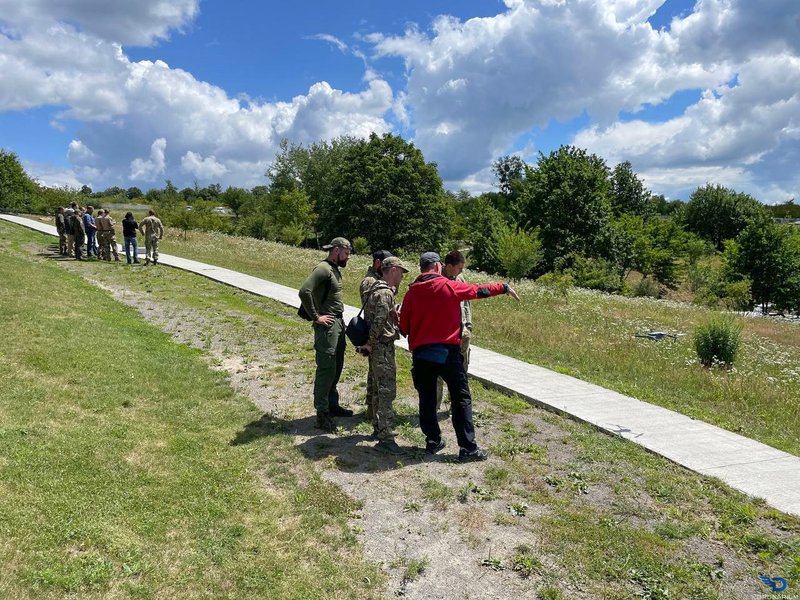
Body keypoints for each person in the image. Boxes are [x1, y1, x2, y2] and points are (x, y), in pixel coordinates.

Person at [399, 251, 519, 461]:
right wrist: (503, 287)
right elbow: (479, 291)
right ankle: (467, 449)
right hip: (448, 354)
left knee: (427, 399)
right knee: (461, 398)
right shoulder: (449, 286)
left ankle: (433, 440)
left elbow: (404, 328)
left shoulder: (411, 294)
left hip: (421, 356)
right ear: (438, 266)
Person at [298, 237, 354, 432]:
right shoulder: (323, 268)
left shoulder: (334, 269)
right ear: (336, 250)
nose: (348, 257)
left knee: (336, 366)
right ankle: (322, 414)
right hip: (327, 326)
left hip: (338, 323)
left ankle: (332, 405)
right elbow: (304, 291)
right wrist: (316, 317)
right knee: (326, 367)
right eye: (346, 253)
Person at [361, 256, 409, 454]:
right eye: (401, 272)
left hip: (377, 347)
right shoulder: (385, 293)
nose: (402, 277)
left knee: (377, 388)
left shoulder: (376, 288)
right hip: (382, 347)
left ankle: (378, 427)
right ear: (394, 270)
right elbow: (379, 322)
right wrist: (370, 344)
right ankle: (386, 437)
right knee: (387, 391)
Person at [436, 250, 472, 411]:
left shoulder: (460, 279)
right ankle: (435, 406)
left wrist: (468, 325)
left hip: (462, 333)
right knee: (438, 371)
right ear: (449, 266)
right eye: (459, 268)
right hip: (443, 335)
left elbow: (467, 304)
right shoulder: (437, 279)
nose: (461, 271)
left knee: (461, 369)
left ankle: (456, 404)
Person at [359, 249, 393, 421]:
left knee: (375, 374)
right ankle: (374, 412)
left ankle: (372, 412)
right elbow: (375, 309)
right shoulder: (370, 282)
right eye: (385, 264)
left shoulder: (376, 280)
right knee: (377, 376)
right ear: (378, 263)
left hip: (376, 334)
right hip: (375, 334)